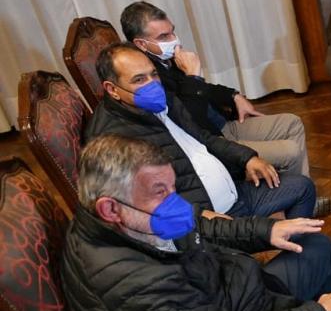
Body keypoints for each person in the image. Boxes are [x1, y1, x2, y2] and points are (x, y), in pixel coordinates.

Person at [61, 135, 331, 311]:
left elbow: (203, 225)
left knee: (316, 245)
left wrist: (266, 230)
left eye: (173, 187)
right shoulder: (134, 287)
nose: (176, 202)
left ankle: (329, 300)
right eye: (160, 192)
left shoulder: (123, 218)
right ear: (110, 208)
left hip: (239, 291)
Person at [86, 43, 315, 220]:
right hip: (211, 221)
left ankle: (298, 254)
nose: (152, 84)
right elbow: (149, 205)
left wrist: (247, 158)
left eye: (153, 74)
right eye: (139, 79)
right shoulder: (112, 139)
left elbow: (204, 138)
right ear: (112, 89)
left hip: (234, 195)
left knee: (302, 187)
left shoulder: (162, 99)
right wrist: (204, 218)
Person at [122, 1, 312, 178]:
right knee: (290, 151)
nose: (174, 40)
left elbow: (205, 89)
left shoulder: (167, 58)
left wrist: (233, 95)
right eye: (164, 37)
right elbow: (186, 120)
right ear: (141, 44)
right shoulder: (148, 77)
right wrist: (193, 77)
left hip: (222, 124)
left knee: (292, 123)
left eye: (173, 32)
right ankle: (291, 193)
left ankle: (299, 192)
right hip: (212, 141)